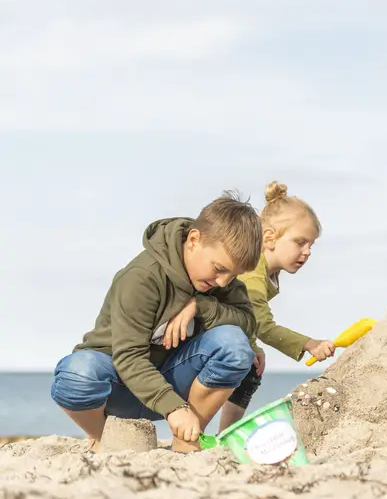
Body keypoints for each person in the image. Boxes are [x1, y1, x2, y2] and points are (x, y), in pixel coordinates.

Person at [50, 191, 262, 452]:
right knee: (77, 374)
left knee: (235, 345)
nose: (223, 282)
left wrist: (201, 306)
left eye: (233, 275)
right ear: (194, 240)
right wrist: (174, 407)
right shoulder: (142, 277)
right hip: (120, 383)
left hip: (176, 380)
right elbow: (128, 358)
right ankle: (105, 438)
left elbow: (249, 325)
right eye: (219, 269)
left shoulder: (220, 281)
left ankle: (186, 442)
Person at [217, 181, 335, 432]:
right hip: (206, 330)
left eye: (311, 245)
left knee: (251, 370)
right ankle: (209, 431)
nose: (307, 252)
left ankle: (225, 433)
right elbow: (260, 321)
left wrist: (252, 344)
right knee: (244, 364)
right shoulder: (252, 270)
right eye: (300, 242)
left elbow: (244, 316)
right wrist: (308, 344)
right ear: (269, 237)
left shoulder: (269, 272)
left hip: (226, 328)